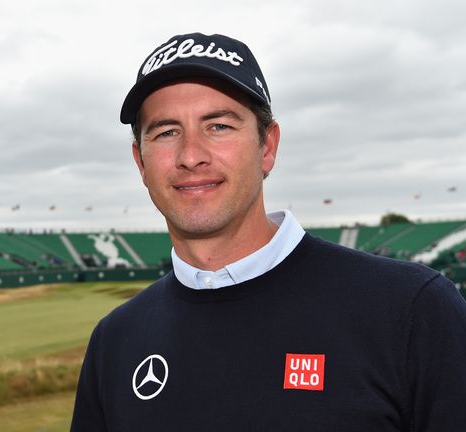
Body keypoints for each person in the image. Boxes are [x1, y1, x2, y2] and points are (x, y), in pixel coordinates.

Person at [70, 32, 466, 431]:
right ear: (141, 161)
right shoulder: (114, 342)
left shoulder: (412, 311)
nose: (191, 156)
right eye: (167, 132)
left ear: (267, 147)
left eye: (219, 126)